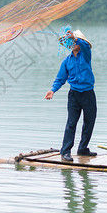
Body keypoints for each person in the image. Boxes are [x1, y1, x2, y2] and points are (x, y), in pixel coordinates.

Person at [44, 29, 97, 161]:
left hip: (88, 94)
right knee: (71, 123)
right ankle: (65, 151)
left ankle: (83, 149)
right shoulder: (66, 62)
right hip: (74, 95)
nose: (72, 44)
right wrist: (52, 90)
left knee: (89, 122)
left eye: (74, 41)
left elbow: (84, 46)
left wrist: (75, 37)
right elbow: (60, 79)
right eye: (70, 42)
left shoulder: (86, 54)